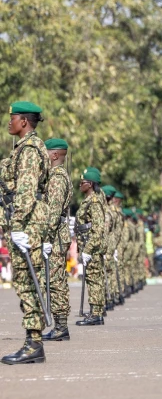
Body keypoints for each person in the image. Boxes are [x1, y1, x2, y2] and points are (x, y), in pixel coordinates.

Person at [0, 102, 50, 365]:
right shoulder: (21, 149)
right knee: (26, 281)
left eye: (13, 118)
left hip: (27, 223)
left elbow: (26, 191)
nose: (9, 122)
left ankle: (34, 344)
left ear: (24, 122)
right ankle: (33, 342)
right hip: (25, 222)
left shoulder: (29, 150)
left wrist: (18, 226)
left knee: (28, 282)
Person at [41, 138, 73, 341]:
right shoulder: (53, 176)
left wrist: (46, 238)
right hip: (55, 236)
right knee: (55, 280)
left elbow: (52, 212)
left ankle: (61, 326)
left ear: (54, 155)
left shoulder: (57, 178)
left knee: (55, 282)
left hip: (54, 237)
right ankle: (60, 325)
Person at [76, 167, 108, 327]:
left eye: (82, 182)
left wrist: (88, 250)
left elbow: (98, 228)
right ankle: (96, 311)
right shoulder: (90, 199)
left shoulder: (94, 201)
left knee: (94, 280)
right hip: (88, 243)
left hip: (92, 246)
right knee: (93, 279)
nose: (80, 185)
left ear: (90, 184)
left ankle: (96, 314)